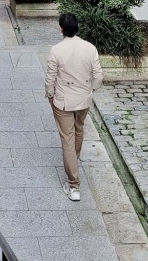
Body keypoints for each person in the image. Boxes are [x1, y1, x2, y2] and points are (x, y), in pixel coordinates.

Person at [44, 13, 103, 202]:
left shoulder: (57, 50)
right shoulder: (90, 48)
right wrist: (90, 90)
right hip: (83, 100)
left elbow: (50, 78)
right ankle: (74, 164)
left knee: (67, 138)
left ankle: (73, 184)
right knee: (78, 130)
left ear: (61, 29)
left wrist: (50, 95)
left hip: (63, 101)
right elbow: (99, 76)